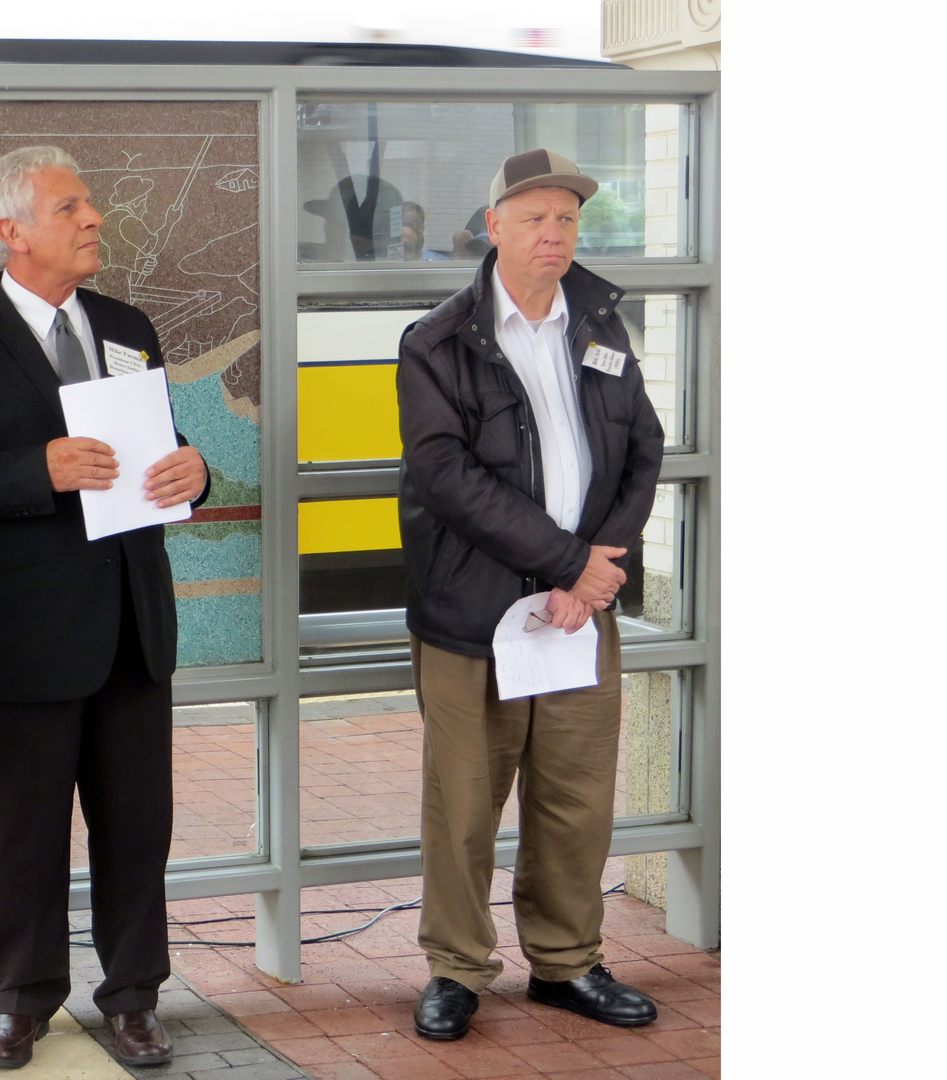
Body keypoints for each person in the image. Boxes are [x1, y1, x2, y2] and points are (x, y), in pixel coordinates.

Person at [0, 146, 209, 1070]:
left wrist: (194, 474)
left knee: (137, 827)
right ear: (12, 231)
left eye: (90, 205)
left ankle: (136, 998)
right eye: (72, 206)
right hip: (24, 638)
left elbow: (167, 451)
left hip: (133, 630)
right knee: (25, 832)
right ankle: (22, 1000)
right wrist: (40, 470)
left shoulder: (127, 325)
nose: (94, 219)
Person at [395, 149, 665, 1041]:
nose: (554, 234)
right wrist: (566, 561)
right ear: (495, 226)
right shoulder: (438, 342)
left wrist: (602, 563)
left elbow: (643, 450)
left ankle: (566, 962)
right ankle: (457, 969)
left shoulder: (600, 322)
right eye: (535, 218)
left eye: (567, 219)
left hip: (580, 609)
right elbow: (445, 477)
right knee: (465, 800)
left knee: (576, 797)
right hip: (474, 611)